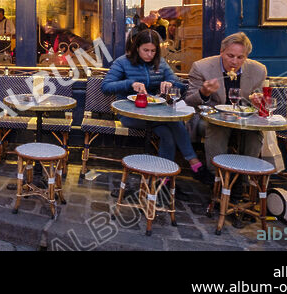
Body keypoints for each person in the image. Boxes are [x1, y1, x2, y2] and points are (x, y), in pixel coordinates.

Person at [102, 29, 211, 182]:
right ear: (137, 47)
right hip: (130, 114)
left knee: (166, 133)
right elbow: (106, 87)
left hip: (156, 113)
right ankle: (193, 162)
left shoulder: (160, 63)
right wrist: (130, 83)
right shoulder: (123, 62)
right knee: (174, 121)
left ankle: (163, 178)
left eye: (153, 51)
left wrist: (170, 83)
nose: (149, 55)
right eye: (145, 50)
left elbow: (179, 86)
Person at [184, 32, 267, 170]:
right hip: (211, 118)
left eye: (240, 57)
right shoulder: (201, 67)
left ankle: (245, 178)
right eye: (230, 56)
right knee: (218, 129)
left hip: (242, 119)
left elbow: (257, 101)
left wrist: (258, 102)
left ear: (246, 57)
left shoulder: (258, 70)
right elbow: (189, 101)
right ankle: (216, 176)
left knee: (254, 133)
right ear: (221, 52)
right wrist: (204, 92)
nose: (234, 61)